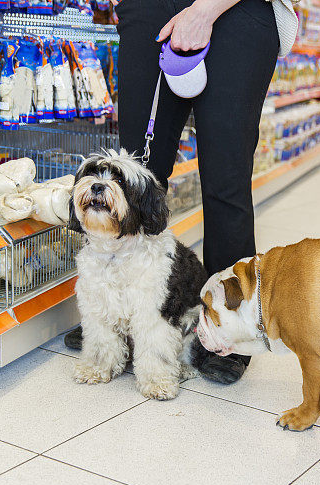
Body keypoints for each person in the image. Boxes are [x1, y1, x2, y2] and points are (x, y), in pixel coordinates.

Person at [65, 0, 296, 384]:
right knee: (136, 170)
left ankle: (230, 327)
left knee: (226, 183)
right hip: (150, 12)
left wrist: (204, 11)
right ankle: (117, 316)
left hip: (238, 13)